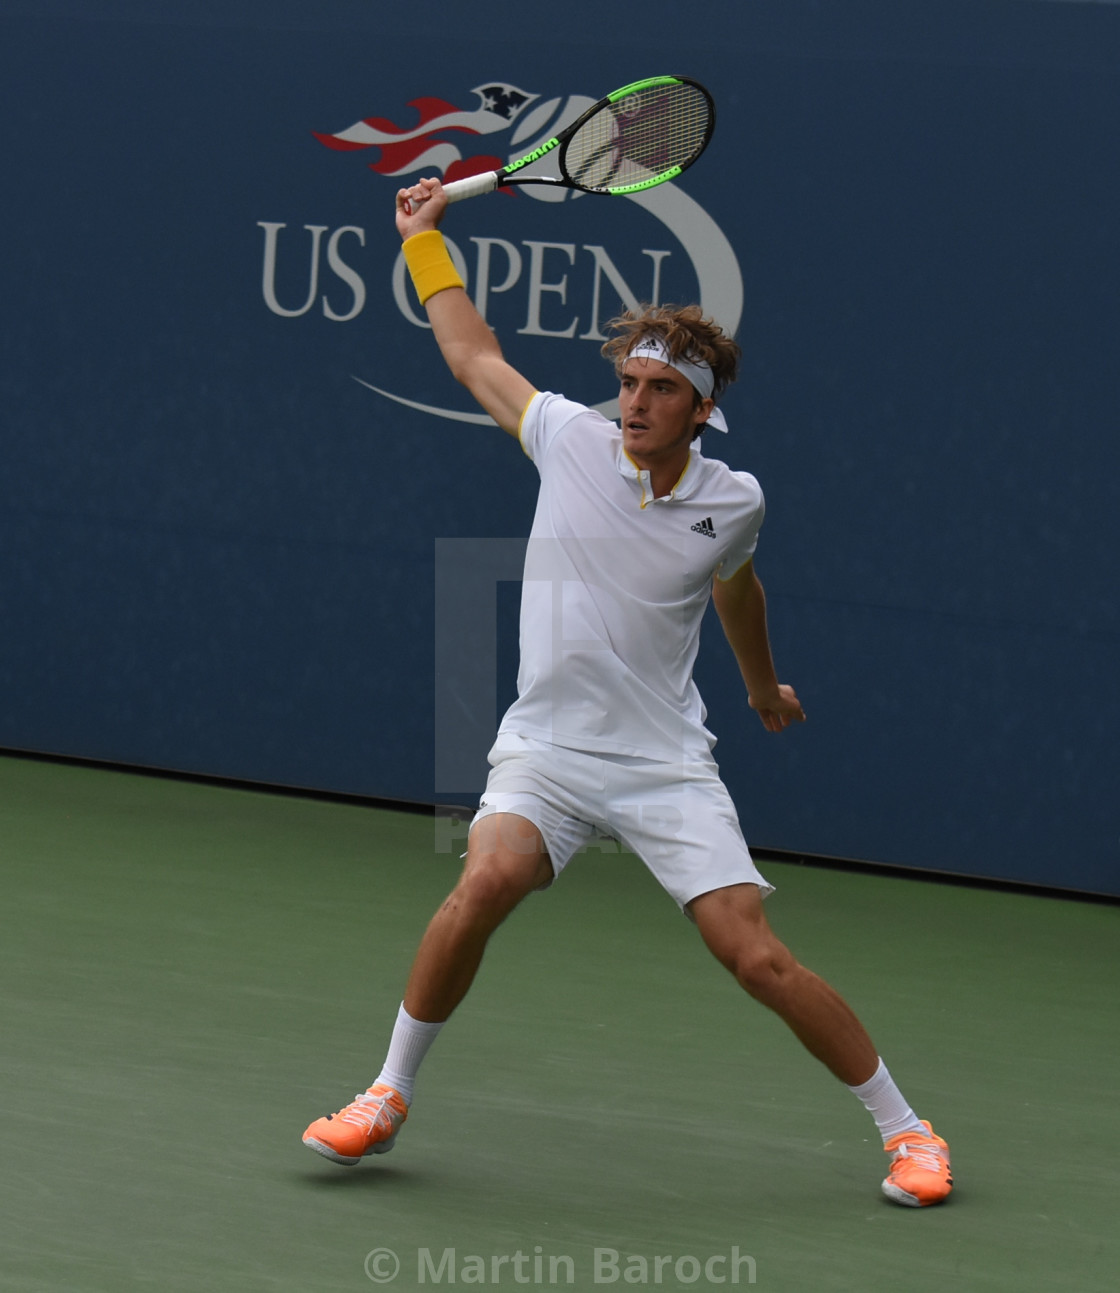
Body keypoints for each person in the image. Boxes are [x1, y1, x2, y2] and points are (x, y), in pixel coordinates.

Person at [301, 178, 953, 1208]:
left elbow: (736, 589)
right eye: (630, 382)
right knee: (481, 885)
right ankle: (386, 1093)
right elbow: (473, 356)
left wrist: (758, 690)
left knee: (752, 957)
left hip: (659, 762)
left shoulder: (733, 500)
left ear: (700, 408)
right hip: (547, 751)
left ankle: (909, 1131)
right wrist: (426, 244)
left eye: (659, 390)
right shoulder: (565, 438)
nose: (635, 403)